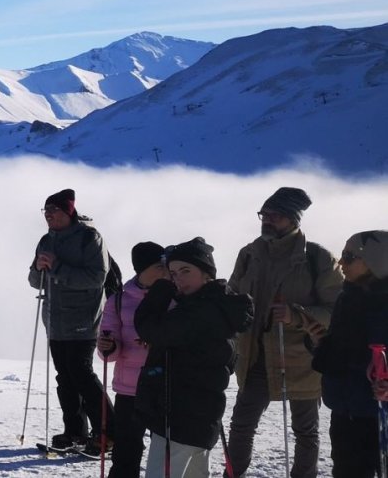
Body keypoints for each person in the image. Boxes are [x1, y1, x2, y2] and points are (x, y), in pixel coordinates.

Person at [225, 187, 343, 478]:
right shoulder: (249, 254)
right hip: (255, 356)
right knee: (241, 425)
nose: (267, 220)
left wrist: (296, 315)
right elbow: (232, 295)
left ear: (293, 219)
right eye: (264, 214)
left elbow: (337, 311)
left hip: (300, 358)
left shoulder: (317, 258)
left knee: (305, 430)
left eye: (275, 216)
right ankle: (232, 474)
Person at [135, 238, 253, 478]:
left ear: (207, 273)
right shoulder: (216, 305)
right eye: (173, 273)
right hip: (199, 420)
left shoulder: (201, 311)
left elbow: (148, 327)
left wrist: (161, 287)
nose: (178, 278)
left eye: (185, 271)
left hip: (180, 420)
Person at [27, 188, 114, 452]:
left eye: (53, 210)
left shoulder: (90, 238)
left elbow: (97, 278)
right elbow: (33, 281)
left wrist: (56, 269)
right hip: (54, 320)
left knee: (81, 375)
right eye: (46, 211)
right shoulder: (45, 241)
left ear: (68, 212)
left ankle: (110, 432)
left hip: (83, 319)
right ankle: (75, 431)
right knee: (65, 377)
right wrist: (39, 270)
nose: (48, 215)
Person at [303, 231, 388, 478]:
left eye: (349, 257)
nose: (341, 263)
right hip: (346, 411)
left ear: (376, 260)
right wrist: (320, 342)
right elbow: (342, 352)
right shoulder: (347, 298)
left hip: (378, 413)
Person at [98, 242, 165, 477]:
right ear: (142, 269)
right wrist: (109, 347)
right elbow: (109, 350)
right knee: (126, 450)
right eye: (160, 265)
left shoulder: (175, 297)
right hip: (130, 389)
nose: (166, 269)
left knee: (164, 451)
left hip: (165, 386)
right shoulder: (118, 301)